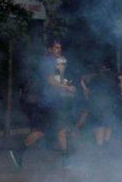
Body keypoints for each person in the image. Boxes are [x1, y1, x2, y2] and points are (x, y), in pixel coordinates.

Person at [9, 41, 76, 169]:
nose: (59, 50)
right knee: (50, 131)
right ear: (50, 49)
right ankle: (66, 160)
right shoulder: (48, 62)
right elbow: (50, 81)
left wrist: (63, 76)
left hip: (52, 103)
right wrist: (66, 88)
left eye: (60, 48)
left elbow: (57, 82)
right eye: (56, 48)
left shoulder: (55, 63)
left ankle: (66, 159)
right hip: (48, 104)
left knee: (52, 131)